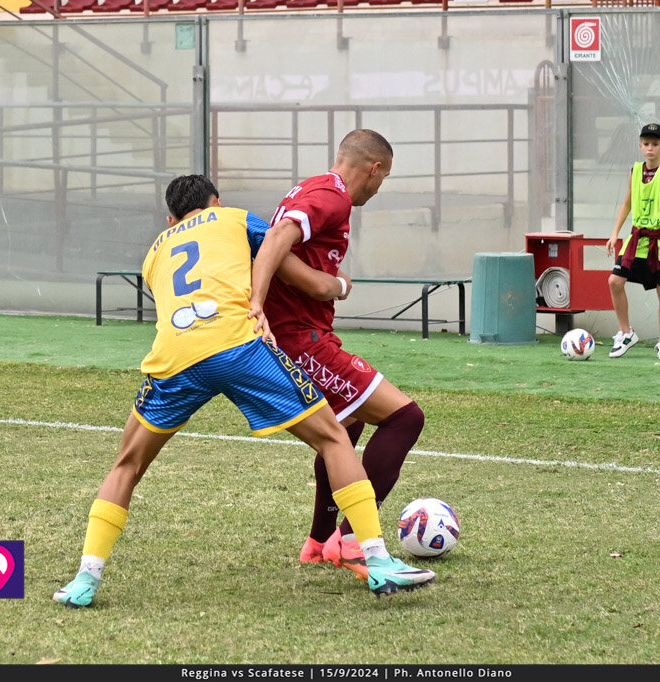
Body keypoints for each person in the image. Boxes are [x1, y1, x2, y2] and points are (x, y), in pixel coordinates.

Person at [53, 174, 435, 608]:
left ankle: (85, 578)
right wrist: (341, 286)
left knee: (127, 464)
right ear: (215, 202)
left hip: (175, 357)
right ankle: (377, 560)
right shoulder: (234, 219)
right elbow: (299, 275)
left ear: (170, 218)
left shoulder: (154, 253)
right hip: (238, 347)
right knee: (333, 436)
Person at [262, 129, 426, 582]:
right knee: (405, 418)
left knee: (346, 425)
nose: (379, 188)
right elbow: (275, 240)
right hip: (301, 340)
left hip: (307, 334)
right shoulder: (332, 196)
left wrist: (323, 281)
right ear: (373, 169)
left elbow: (288, 248)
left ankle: (318, 543)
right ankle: (352, 540)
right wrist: (262, 306)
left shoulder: (313, 188)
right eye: (383, 178)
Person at [605, 123, 660, 360]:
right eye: (646, 144)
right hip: (638, 237)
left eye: (655, 144)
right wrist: (615, 233)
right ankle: (627, 332)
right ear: (640, 146)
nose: (650, 148)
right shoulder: (635, 170)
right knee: (614, 281)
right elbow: (627, 203)